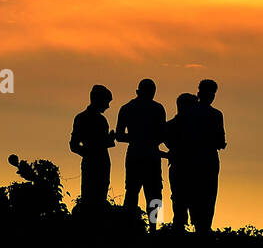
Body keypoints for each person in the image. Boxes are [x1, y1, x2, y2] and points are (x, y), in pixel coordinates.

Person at [115, 78, 166, 231]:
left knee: (131, 193)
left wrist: (136, 138)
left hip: (135, 155)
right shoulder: (158, 108)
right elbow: (163, 135)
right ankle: (153, 227)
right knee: (154, 194)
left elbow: (119, 136)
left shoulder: (127, 108)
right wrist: (147, 139)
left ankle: (129, 227)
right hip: (151, 155)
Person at [69, 84, 115, 216]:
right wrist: (90, 154)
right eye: (107, 102)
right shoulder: (94, 120)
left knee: (98, 198)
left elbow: (75, 145)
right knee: (91, 199)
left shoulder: (84, 118)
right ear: (99, 100)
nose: (108, 106)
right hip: (95, 163)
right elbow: (74, 145)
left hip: (99, 162)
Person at [190, 78, 226, 236]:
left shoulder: (189, 113)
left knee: (194, 193)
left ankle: (197, 225)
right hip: (209, 159)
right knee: (209, 196)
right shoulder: (216, 115)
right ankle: (204, 228)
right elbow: (220, 141)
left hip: (192, 159)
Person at [162, 92, 198, 231]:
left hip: (177, 165)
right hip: (190, 166)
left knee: (177, 197)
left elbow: (166, 141)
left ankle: (174, 226)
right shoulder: (194, 128)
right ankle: (192, 226)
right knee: (191, 196)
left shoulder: (169, 125)